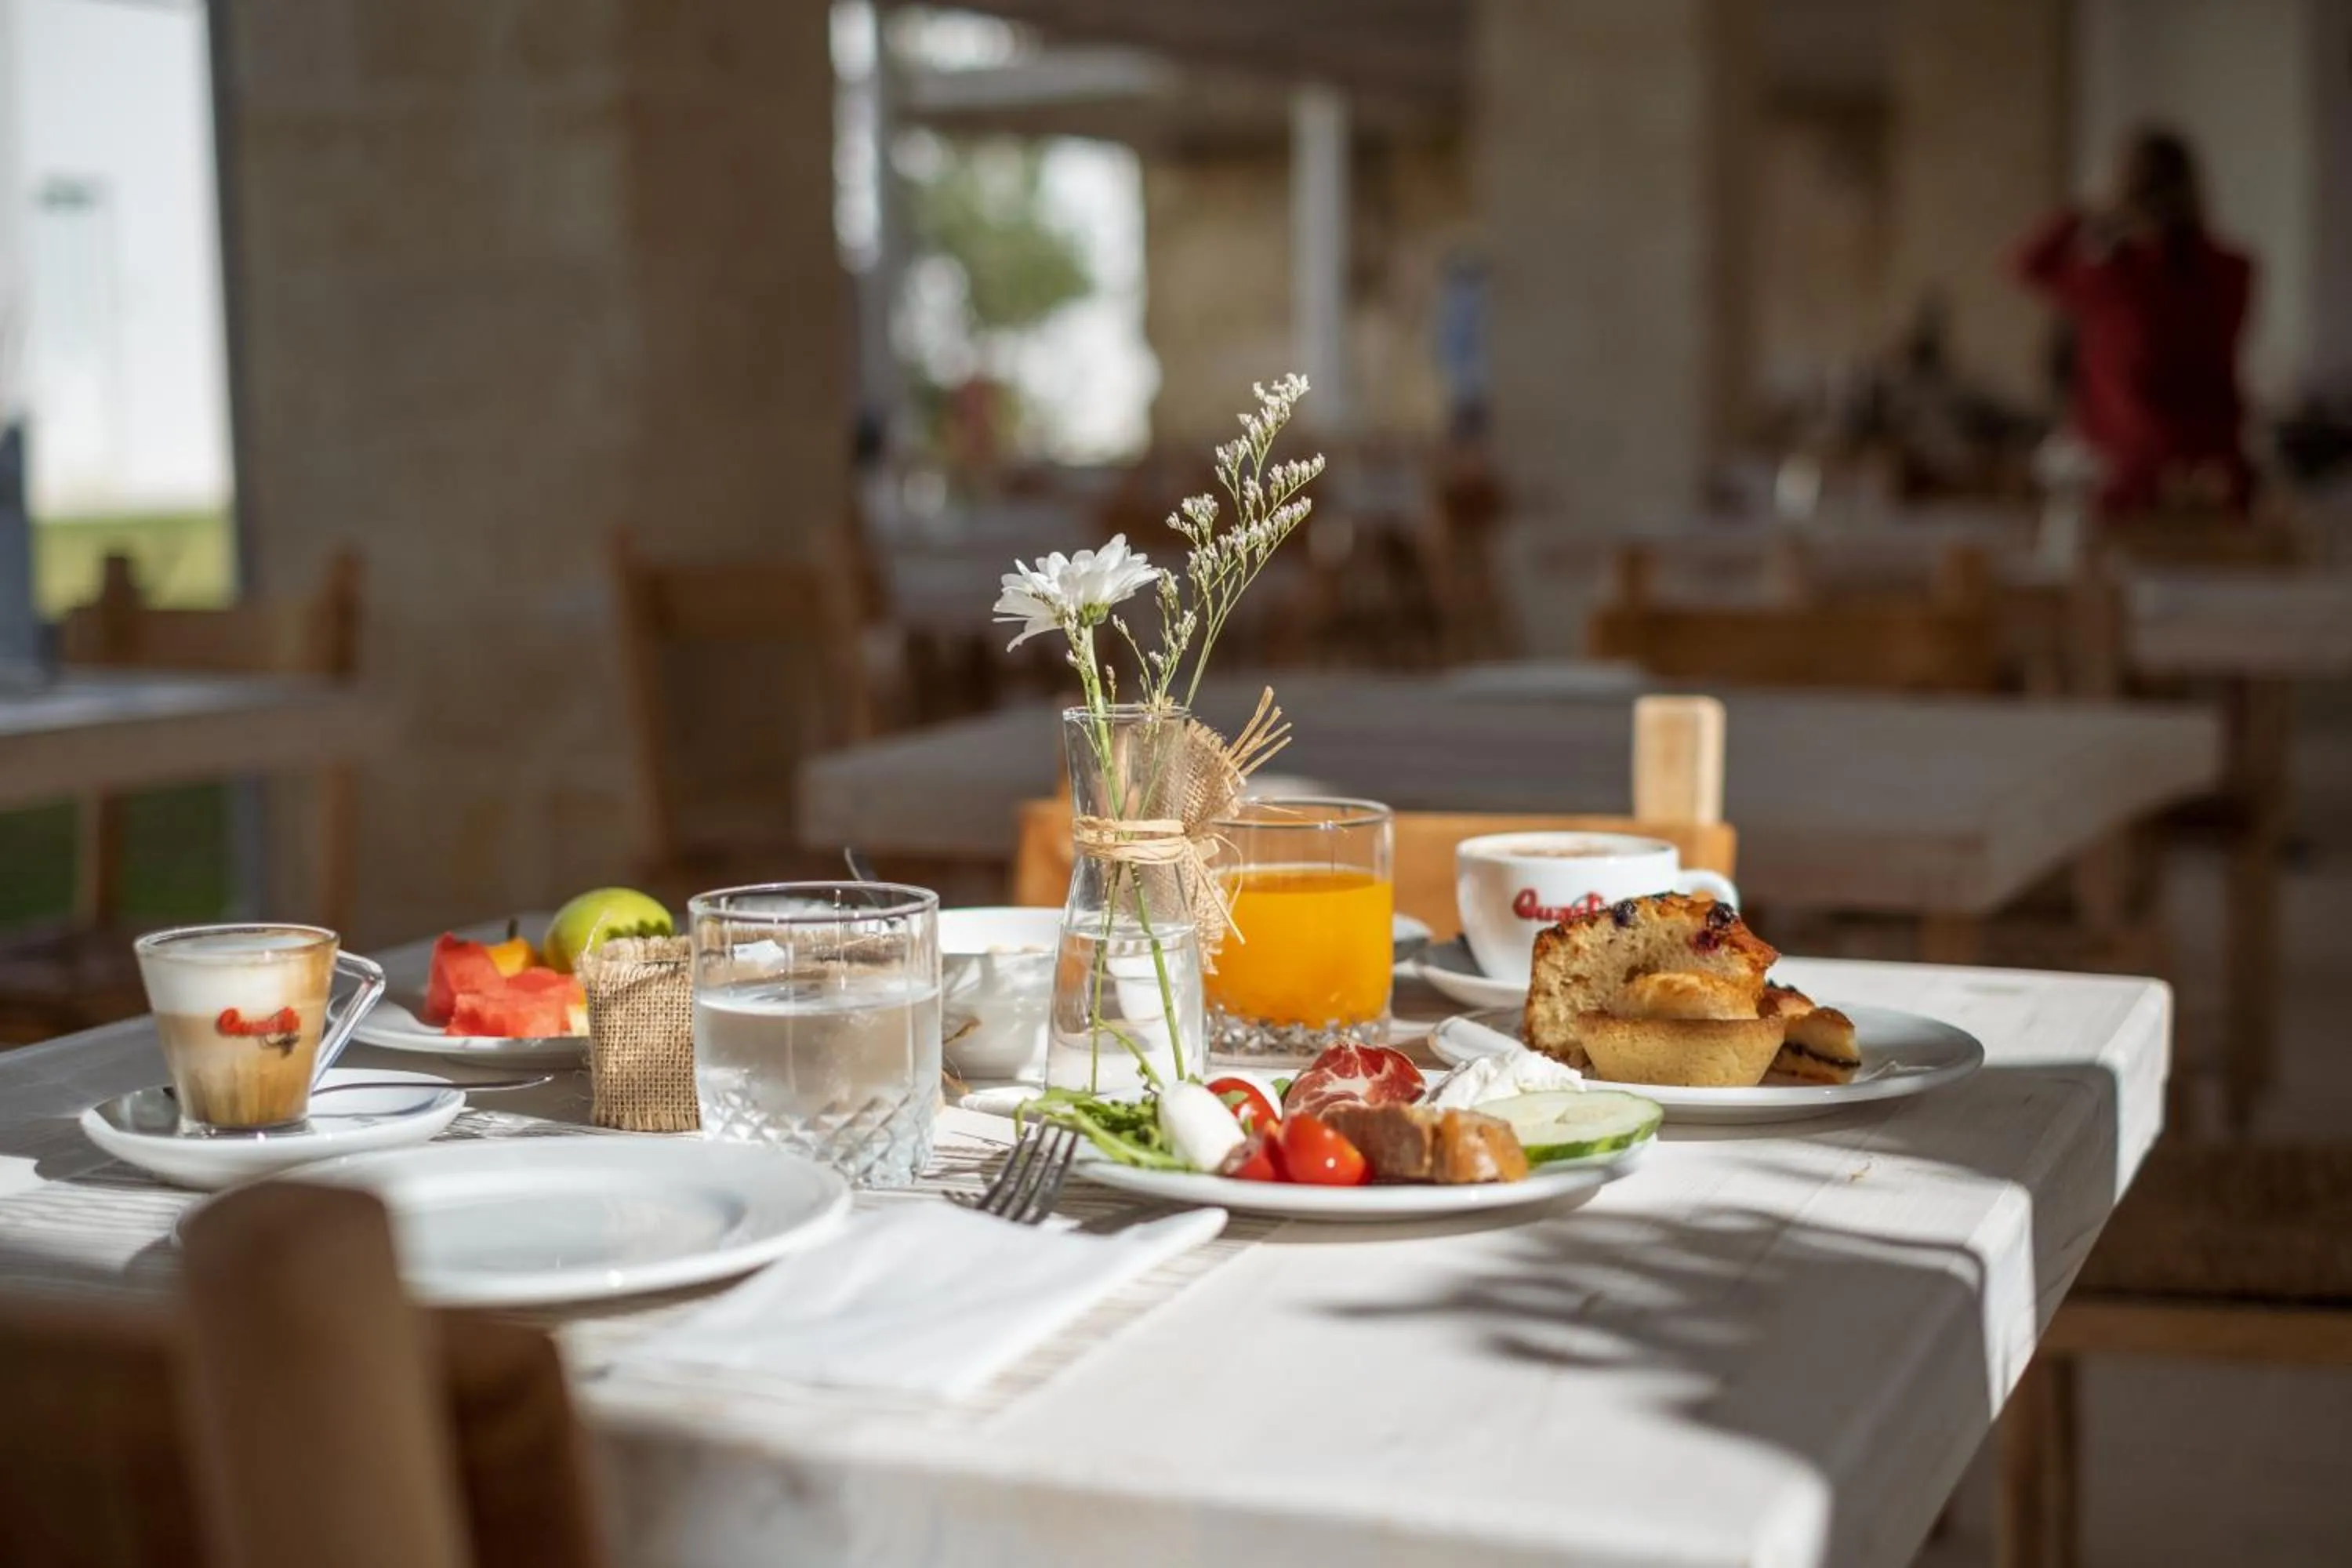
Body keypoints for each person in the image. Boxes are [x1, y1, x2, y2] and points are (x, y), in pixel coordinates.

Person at [2013, 128, 2256, 514]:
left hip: (2128, 472)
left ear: (2125, 194)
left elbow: (2027, 264)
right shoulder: (2233, 270)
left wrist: (2088, 209)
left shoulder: (2115, 279)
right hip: (2216, 469)